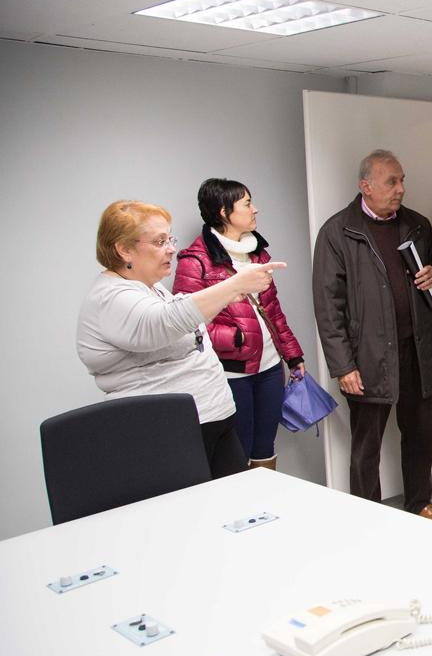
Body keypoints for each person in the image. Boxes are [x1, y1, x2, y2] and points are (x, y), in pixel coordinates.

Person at [77, 200, 282, 477]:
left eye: (169, 239)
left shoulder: (150, 288)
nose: (171, 248)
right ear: (124, 249)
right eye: (159, 241)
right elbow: (165, 322)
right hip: (166, 432)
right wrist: (234, 285)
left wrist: (228, 294)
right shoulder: (111, 297)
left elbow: (187, 324)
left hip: (211, 418)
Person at [312, 149, 432, 524]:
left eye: (402, 180)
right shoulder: (338, 232)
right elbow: (328, 308)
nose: (401, 189)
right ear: (366, 186)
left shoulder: (417, 225)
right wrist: (344, 366)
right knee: (366, 445)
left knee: (420, 435)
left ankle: (420, 503)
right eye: (392, 182)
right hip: (368, 357)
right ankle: (367, 518)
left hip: (416, 351)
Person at [173, 179, 304, 471]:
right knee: (237, 451)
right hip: (232, 374)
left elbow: (273, 310)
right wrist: (236, 338)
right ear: (223, 211)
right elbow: (187, 323)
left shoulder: (256, 252)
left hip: (270, 368)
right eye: (247, 203)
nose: (255, 209)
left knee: (265, 446)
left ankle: (265, 501)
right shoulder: (195, 261)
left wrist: (293, 355)